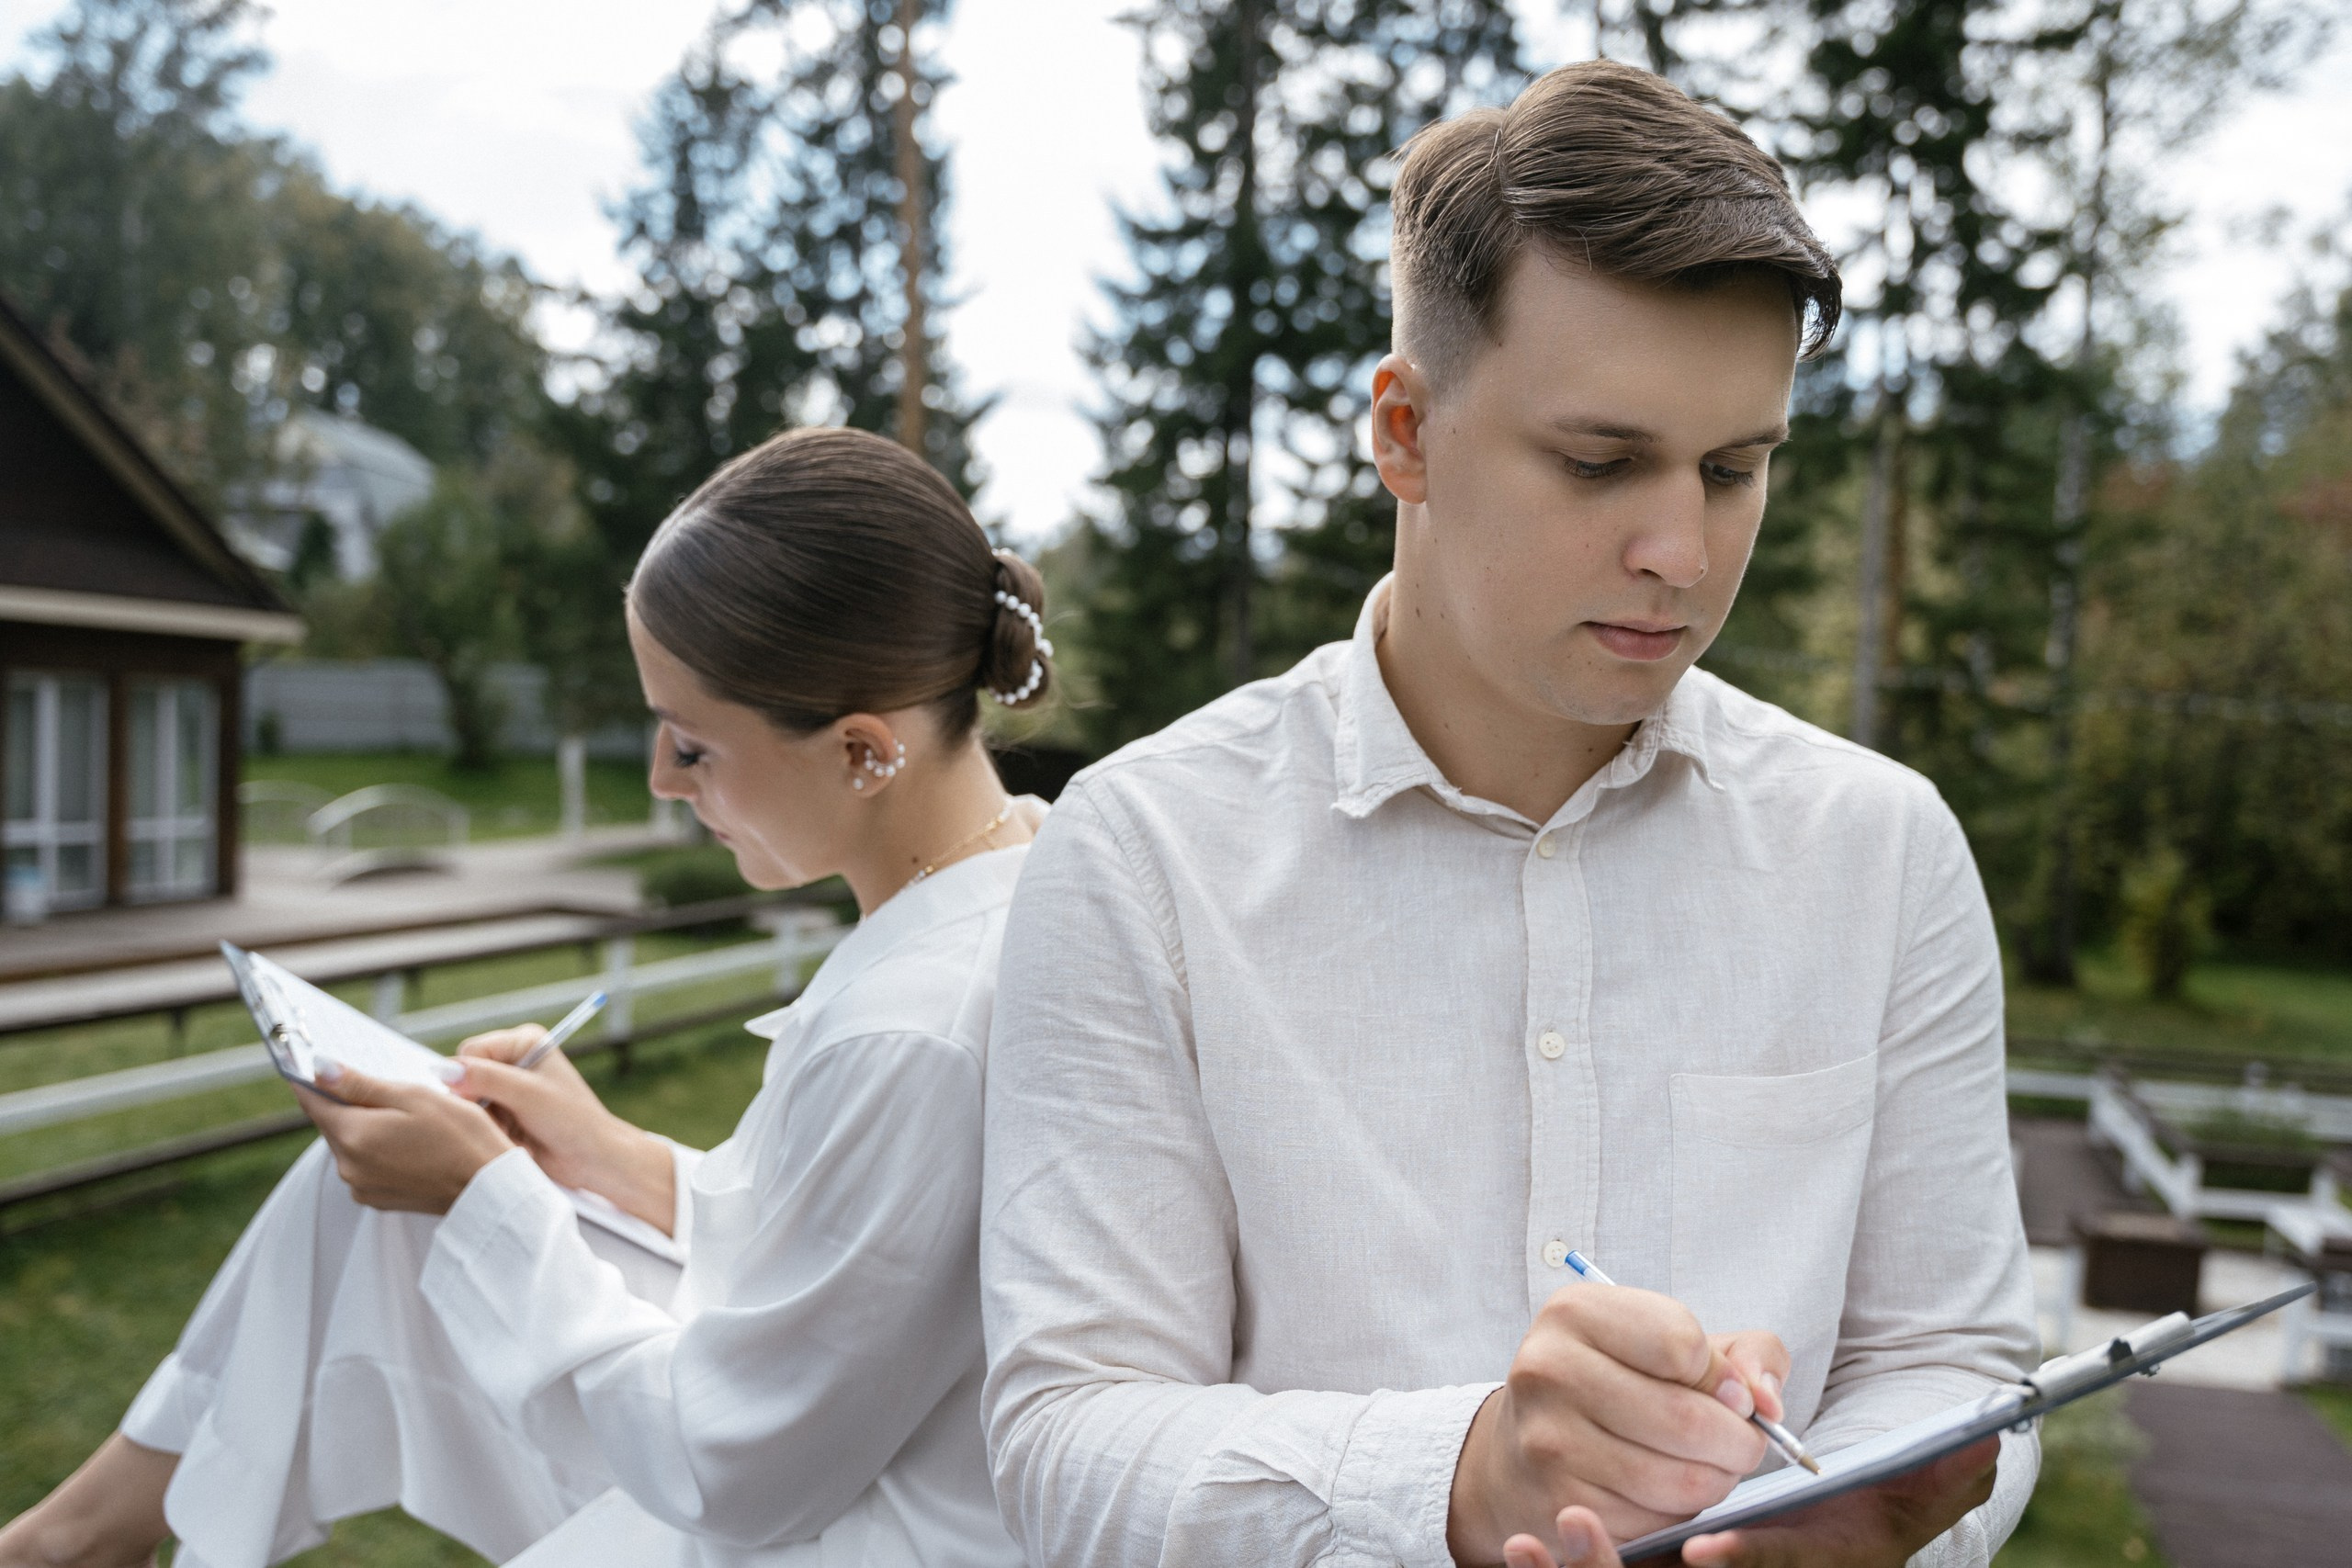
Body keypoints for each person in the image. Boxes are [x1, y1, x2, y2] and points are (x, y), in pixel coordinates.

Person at [979, 60, 2039, 1568]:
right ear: (1404, 431)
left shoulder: (1881, 849)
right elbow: (1065, 1442)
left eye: (1734, 470)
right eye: (1601, 463)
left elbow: (1958, 1357)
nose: (1681, 550)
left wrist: (1861, 1530)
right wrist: (1456, 1484)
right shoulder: (1145, 854)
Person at [1, 427, 1050, 1568]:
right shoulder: (995, 898)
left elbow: (725, 1469)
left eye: (692, 746)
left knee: (428, 1192)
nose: (658, 778)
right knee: (364, 1193)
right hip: (810, 1448)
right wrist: (604, 1152)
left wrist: (489, 1192)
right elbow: (850, 1252)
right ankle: (71, 1541)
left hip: (811, 1524)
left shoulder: (919, 1027)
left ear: (860, 753)